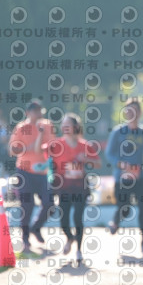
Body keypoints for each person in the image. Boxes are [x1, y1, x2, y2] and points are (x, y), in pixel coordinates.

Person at [45, 113, 100, 265]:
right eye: (63, 124)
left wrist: (85, 159)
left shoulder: (84, 145)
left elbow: (98, 163)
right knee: (63, 220)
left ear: (75, 127)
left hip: (80, 187)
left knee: (77, 218)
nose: (64, 127)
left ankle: (79, 251)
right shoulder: (56, 145)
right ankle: (70, 238)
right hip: (64, 188)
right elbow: (44, 158)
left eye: (67, 124)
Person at [105, 98, 143, 256]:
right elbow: (109, 153)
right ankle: (116, 221)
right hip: (122, 179)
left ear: (140, 113)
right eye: (129, 110)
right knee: (124, 209)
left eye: (135, 110)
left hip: (139, 178)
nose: (131, 113)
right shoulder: (118, 132)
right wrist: (120, 164)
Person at [9, 101, 56, 254]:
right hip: (25, 171)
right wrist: (29, 148)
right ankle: (25, 238)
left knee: (50, 203)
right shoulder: (21, 127)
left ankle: (36, 227)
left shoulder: (47, 125)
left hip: (42, 172)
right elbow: (13, 149)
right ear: (27, 113)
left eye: (39, 110)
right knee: (27, 205)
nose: (38, 113)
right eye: (34, 111)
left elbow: (52, 145)